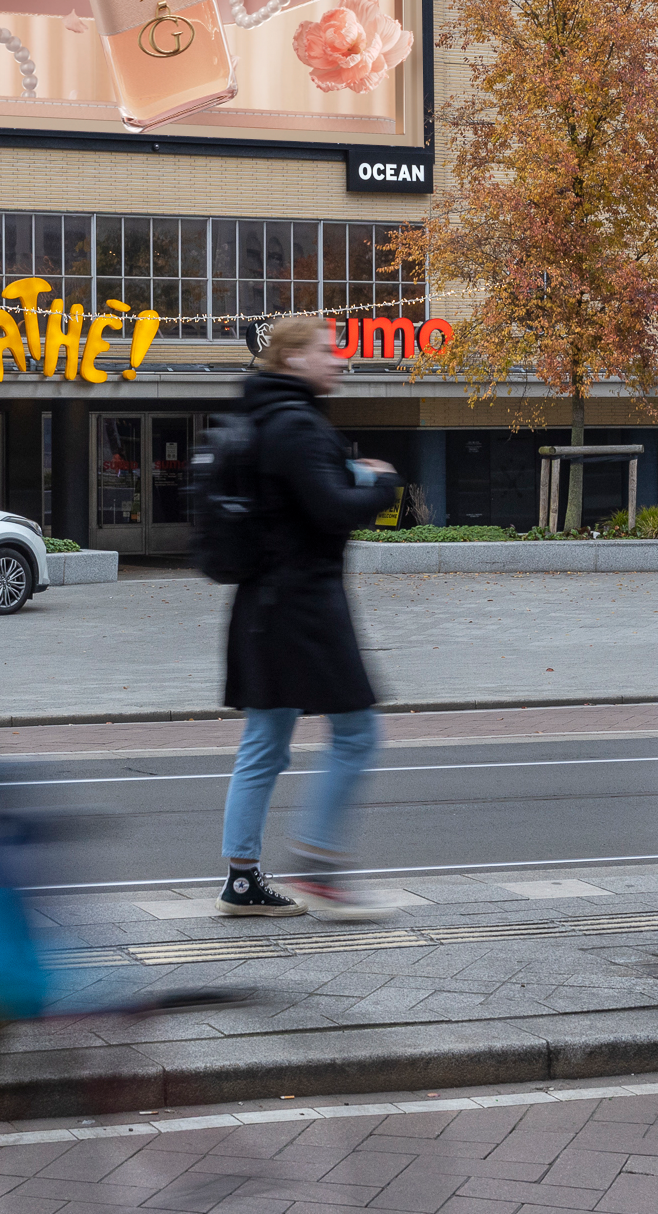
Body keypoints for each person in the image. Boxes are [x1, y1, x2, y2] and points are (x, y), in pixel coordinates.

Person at [214, 315, 401, 921]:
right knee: (357, 734)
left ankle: (242, 881)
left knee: (265, 742)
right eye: (327, 348)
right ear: (294, 358)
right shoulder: (298, 424)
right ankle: (319, 867)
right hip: (306, 609)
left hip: (261, 606)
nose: (339, 358)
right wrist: (381, 484)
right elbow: (332, 510)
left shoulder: (261, 418)